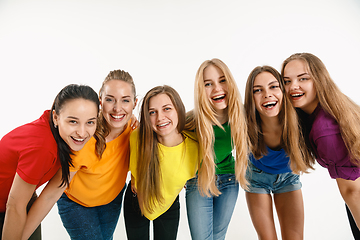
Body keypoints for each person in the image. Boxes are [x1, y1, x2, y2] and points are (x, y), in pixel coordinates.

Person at [0, 84, 99, 240]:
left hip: (20, 197)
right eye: (73, 122)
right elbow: (14, 206)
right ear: (56, 117)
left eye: (90, 122)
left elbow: (49, 196)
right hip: (10, 204)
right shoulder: (43, 147)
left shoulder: (63, 134)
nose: (82, 132)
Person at [281, 52, 360, 239]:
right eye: (286, 81)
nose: (293, 86)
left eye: (303, 78)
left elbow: (352, 191)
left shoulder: (325, 130)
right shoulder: (328, 110)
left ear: (319, 80)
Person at [57, 70, 137, 239]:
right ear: (100, 101)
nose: (117, 108)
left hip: (111, 201)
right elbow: (53, 190)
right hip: (76, 203)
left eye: (125, 100)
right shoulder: (84, 137)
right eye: (110, 99)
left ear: (134, 103)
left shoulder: (133, 128)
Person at [244, 65, 313, 240]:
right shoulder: (243, 119)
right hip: (256, 179)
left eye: (273, 86)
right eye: (257, 90)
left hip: (288, 177)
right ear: (251, 98)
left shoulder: (299, 117)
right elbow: (206, 118)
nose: (267, 94)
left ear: (283, 91)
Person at [124, 85, 199, 240]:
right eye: (152, 112)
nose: (160, 118)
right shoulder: (137, 137)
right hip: (136, 201)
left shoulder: (195, 147)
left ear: (178, 109)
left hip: (169, 204)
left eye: (167, 109)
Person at [185, 58, 249, 240]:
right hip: (198, 182)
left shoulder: (242, 115)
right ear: (200, 90)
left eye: (222, 80)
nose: (217, 88)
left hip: (229, 180)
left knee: (218, 238)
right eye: (208, 84)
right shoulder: (190, 120)